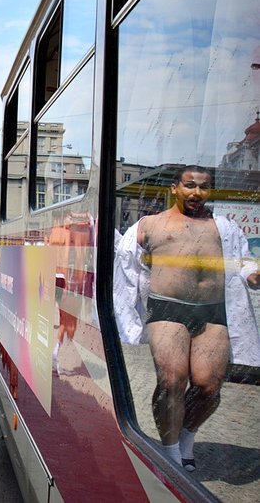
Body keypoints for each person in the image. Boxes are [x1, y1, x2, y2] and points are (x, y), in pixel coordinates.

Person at [114, 165, 260, 471]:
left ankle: (186, 438)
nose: (196, 193)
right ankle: (170, 454)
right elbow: (125, 266)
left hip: (213, 311)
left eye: (204, 187)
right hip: (166, 307)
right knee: (171, 381)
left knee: (208, 386)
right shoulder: (148, 224)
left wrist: (252, 273)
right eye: (190, 185)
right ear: (175, 189)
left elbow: (242, 259)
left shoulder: (224, 226)